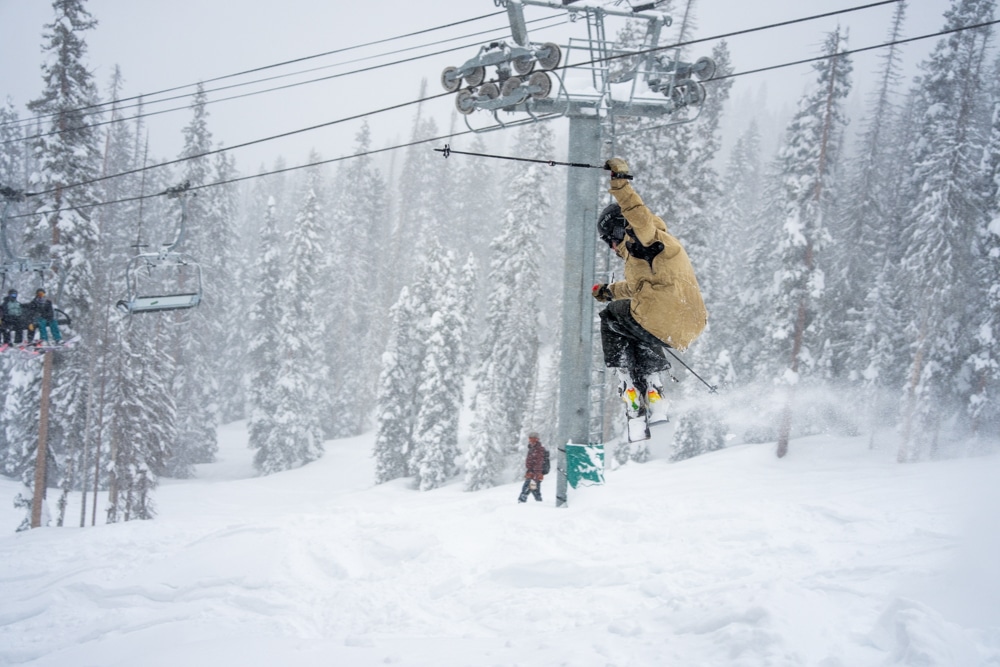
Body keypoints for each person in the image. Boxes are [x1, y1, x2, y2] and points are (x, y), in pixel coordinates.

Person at [592, 157, 707, 418]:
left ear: (620, 229)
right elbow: (640, 289)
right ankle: (653, 386)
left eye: (610, 239)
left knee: (611, 315)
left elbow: (636, 214)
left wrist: (619, 182)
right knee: (636, 324)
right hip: (688, 323)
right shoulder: (657, 250)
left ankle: (628, 381)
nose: (612, 246)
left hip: (662, 316)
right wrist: (608, 291)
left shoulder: (644, 239)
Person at [517, 432, 548, 503]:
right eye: (530, 439)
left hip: (534, 474)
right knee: (534, 490)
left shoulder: (538, 449)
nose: (530, 441)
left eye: (532, 439)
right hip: (533, 473)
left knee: (526, 489)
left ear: (536, 439)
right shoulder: (533, 448)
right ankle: (539, 503)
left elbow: (539, 463)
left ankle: (521, 502)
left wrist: (534, 474)